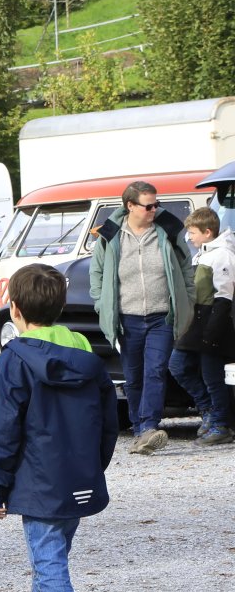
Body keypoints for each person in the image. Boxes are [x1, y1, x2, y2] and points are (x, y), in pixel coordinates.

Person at [0, 263, 116, 592]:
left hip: (39, 480)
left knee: (48, 561)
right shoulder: (86, 354)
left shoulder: (14, 360)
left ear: (15, 308)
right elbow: (109, 422)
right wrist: (93, 468)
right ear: (60, 306)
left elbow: (2, 432)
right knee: (52, 556)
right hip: (78, 475)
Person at [89, 181, 192, 455]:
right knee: (133, 377)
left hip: (162, 316)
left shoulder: (167, 230)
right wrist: (101, 302)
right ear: (130, 206)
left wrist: (188, 300)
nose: (154, 209)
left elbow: (186, 266)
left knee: (155, 371)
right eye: (148, 206)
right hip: (127, 318)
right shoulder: (110, 234)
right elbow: (96, 272)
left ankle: (148, 426)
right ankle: (139, 431)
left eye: (156, 204)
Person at [167, 207, 235, 445]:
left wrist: (211, 333)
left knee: (212, 377)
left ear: (207, 232)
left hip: (212, 326)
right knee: (177, 365)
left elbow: (224, 298)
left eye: (193, 232)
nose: (190, 237)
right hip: (194, 325)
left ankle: (221, 424)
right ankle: (208, 409)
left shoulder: (223, 256)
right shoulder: (200, 255)